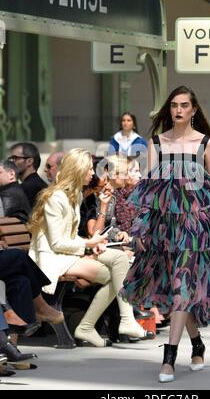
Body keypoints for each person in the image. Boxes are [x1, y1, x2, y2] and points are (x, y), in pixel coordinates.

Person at [119, 86, 210, 383]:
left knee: (183, 284)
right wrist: (141, 227)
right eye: (174, 105)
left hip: (195, 226)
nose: (178, 110)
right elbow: (148, 191)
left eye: (184, 105)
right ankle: (196, 343)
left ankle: (168, 358)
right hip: (164, 227)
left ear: (194, 109)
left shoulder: (206, 144)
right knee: (177, 290)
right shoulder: (156, 143)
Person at [28, 148, 152, 347]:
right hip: (51, 258)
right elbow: (57, 243)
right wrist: (88, 244)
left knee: (119, 260)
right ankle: (97, 325)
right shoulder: (56, 198)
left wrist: (89, 246)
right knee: (112, 273)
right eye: (89, 170)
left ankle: (114, 322)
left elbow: (69, 237)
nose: (93, 174)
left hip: (67, 252)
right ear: (78, 170)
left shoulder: (74, 195)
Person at [9, 142, 47, 209]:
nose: (11, 162)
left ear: (29, 161)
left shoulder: (28, 188)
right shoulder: (38, 184)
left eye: (15, 158)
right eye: (11, 159)